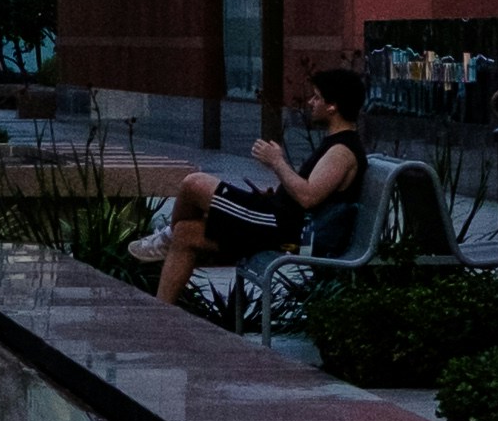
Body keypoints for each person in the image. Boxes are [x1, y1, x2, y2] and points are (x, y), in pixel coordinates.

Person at [154, 63, 370, 305]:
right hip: (274, 216)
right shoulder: (337, 143)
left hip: (280, 226)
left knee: (194, 184)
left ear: (333, 106)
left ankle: (164, 238)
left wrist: (277, 162)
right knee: (187, 233)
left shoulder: (341, 150)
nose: (310, 102)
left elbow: (308, 197)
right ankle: (162, 313)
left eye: (317, 97)